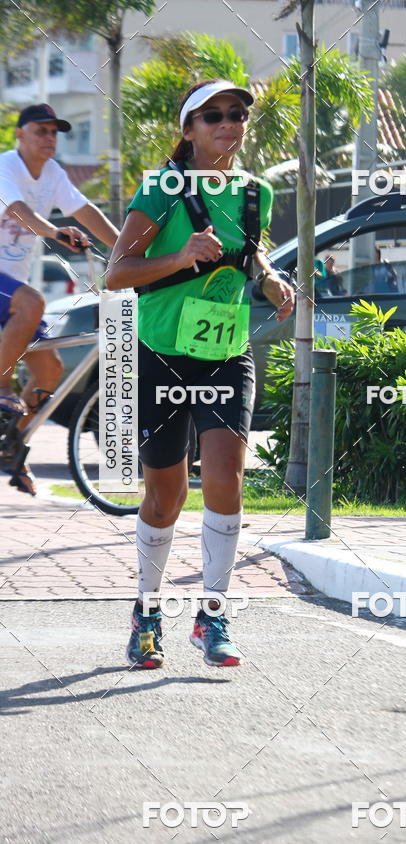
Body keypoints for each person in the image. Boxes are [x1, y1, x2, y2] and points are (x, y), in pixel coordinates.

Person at [106, 79, 295, 670]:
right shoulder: (162, 188)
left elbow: (250, 252)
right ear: (188, 130)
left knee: (225, 475)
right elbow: (116, 274)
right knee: (166, 496)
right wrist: (180, 256)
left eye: (236, 114)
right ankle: (147, 610)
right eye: (212, 115)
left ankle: (213, 615)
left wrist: (268, 279)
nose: (227, 123)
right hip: (161, 353)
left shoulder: (254, 192)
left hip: (226, 352)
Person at [0, 103, 119, 494]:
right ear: (20, 133)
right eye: (41, 131)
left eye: (55, 132)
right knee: (33, 301)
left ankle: (12, 447)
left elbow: (84, 210)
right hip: (14, 292)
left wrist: (129, 248)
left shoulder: (52, 173)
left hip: (10, 290)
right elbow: (17, 211)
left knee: (49, 369)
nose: (49, 138)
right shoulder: (6, 167)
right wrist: (53, 231)